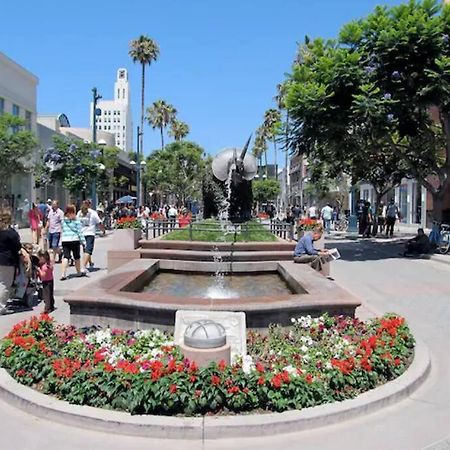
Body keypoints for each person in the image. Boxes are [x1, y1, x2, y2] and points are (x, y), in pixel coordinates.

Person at [0, 209, 21, 314]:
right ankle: (1, 307)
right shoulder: (10, 233)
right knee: (5, 284)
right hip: (6, 260)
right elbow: (17, 246)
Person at [60, 204, 86, 281]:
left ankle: (63, 274)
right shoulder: (76, 220)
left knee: (66, 257)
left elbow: (62, 229)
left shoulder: (63, 220)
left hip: (65, 240)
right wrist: (83, 242)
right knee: (76, 256)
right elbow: (79, 232)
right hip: (74, 239)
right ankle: (78, 272)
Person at [77, 200, 102, 273]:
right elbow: (99, 222)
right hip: (90, 233)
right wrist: (103, 230)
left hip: (81, 233)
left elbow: (76, 222)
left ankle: (90, 262)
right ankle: (83, 267)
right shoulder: (93, 213)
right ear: (90, 205)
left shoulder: (79, 212)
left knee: (86, 249)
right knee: (88, 250)